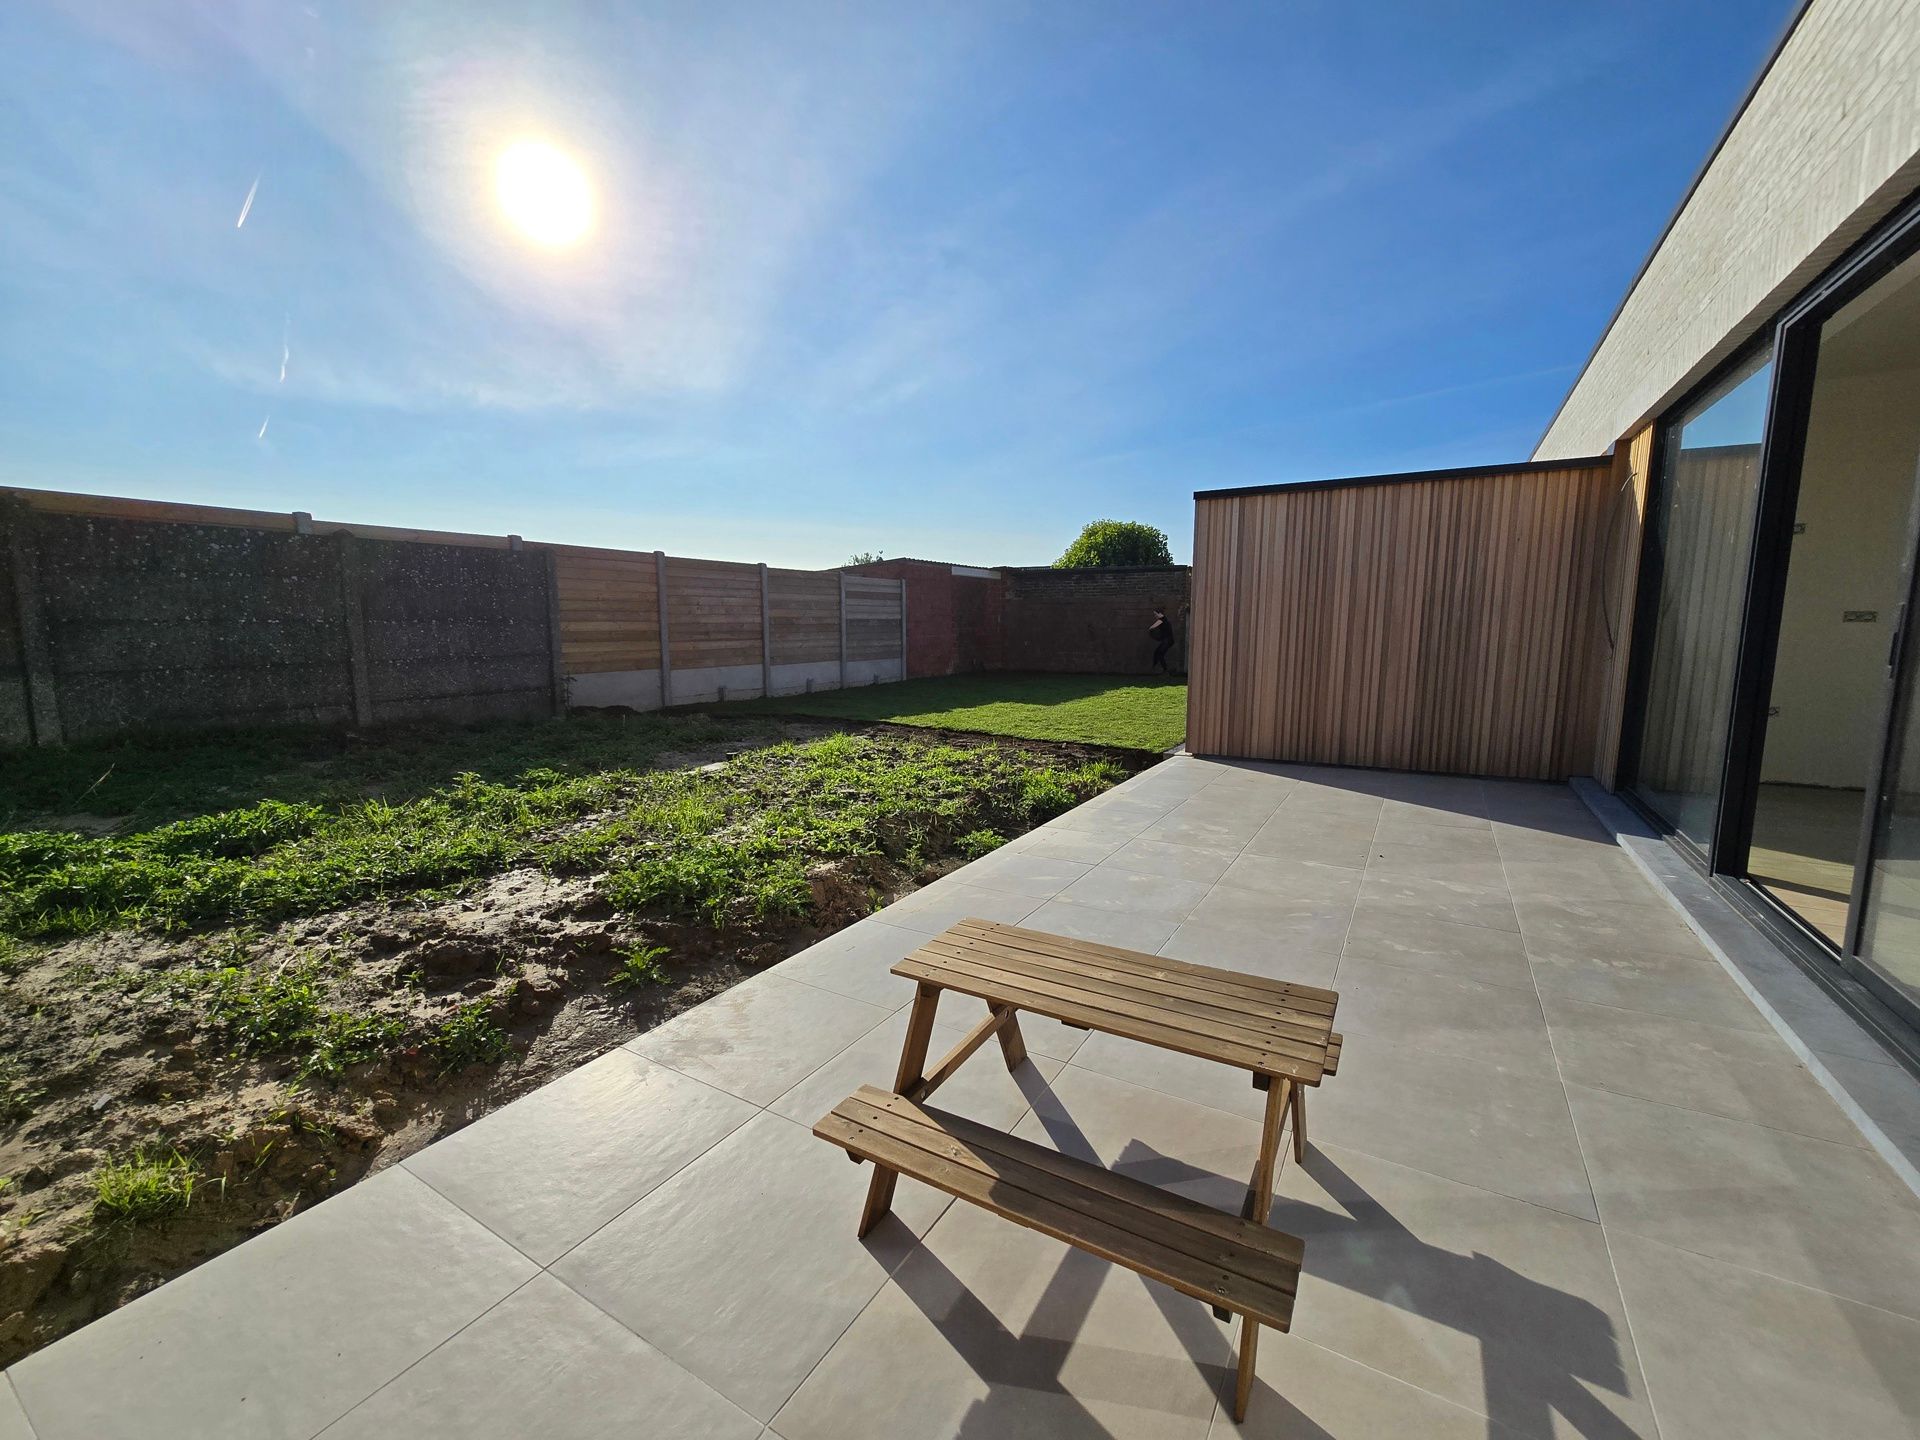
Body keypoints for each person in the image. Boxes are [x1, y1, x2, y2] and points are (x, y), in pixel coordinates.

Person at [1149, 606, 1176, 674]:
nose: (1155, 616)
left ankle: (1164, 670)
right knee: (1157, 653)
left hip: (1167, 641)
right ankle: (1156, 667)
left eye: (1155, 614)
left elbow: (1151, 627)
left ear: (1159, 613)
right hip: (1167, 640)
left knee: (1159, 654)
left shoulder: (1161, 620)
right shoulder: (1164, 620)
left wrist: (1151, 631)